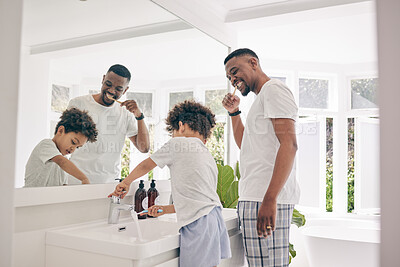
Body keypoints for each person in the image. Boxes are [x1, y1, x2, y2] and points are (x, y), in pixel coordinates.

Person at [109, 100, 231, 267]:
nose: (173, 136)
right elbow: (197, 199)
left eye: (173, 132)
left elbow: (146, 165)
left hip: (198, 224)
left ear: (181, 126)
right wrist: (166, 209)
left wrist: (126, 182)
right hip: (213, 220)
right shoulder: (207, 155)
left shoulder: (177, 143)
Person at [222, 48, 300, 267]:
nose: (233, 79)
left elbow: (290, 144)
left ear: (253, 63)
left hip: (264, 198)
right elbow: (244, 144)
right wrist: (234, 113)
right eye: (229, 77)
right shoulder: (261, 99)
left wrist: (270, 199)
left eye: (235, 71)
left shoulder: (274, 90)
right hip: (255, 196)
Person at [67, 64, 150, 184]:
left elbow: (144, 148)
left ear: (125, 90)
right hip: (76, 180)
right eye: (108, 84)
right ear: (103, 79)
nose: (111, 91)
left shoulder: (125, 113)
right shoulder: (78, 103)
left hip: (109, 183)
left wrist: (139, 116)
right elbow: (64, 141)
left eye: (118, 89)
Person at [24, 108, 98, 187]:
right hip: (30, 197)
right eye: (73, 142)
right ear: (61, 130)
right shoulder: (46, 145)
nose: (73, 149)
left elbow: (63, 188)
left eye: (77, 147)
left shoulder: (63, 167)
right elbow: (62, 162)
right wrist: (84, 178)